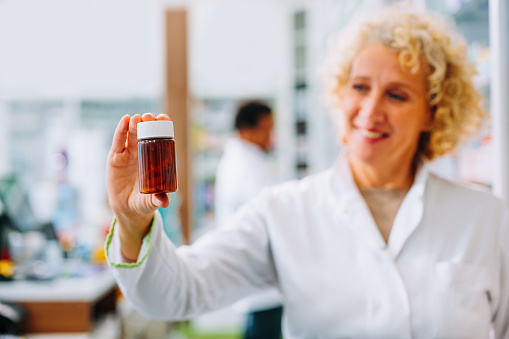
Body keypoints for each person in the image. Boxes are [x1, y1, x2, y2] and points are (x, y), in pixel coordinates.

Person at [104, 6, 509, 338]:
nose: (370, 111)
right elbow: (174, 294)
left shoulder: (485, 218)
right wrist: (131, 221)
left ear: (433, 112)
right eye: (360, 87)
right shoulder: (284, 212)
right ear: (338, 92)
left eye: (397, 94)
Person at [214, 101, 283, 339]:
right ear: (247, 130)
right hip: (259, 272)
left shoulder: (248, 160)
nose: (271, 136)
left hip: (261, 274)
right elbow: (271, 215)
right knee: (264, 326)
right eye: (267, 128)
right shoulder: (246, 166)